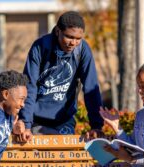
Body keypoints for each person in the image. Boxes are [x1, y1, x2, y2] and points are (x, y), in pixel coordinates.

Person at [18, 11, 103, 139]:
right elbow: (30, 87)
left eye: (78, 39)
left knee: (63, 158)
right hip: (37, 119)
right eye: (69, 37)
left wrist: (96, 126)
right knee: (39, 157)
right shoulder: (40, 47)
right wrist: (26, 123)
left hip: (64, 120)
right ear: (58, 31)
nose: (73, 43)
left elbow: (91, 88)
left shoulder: (83, 50)